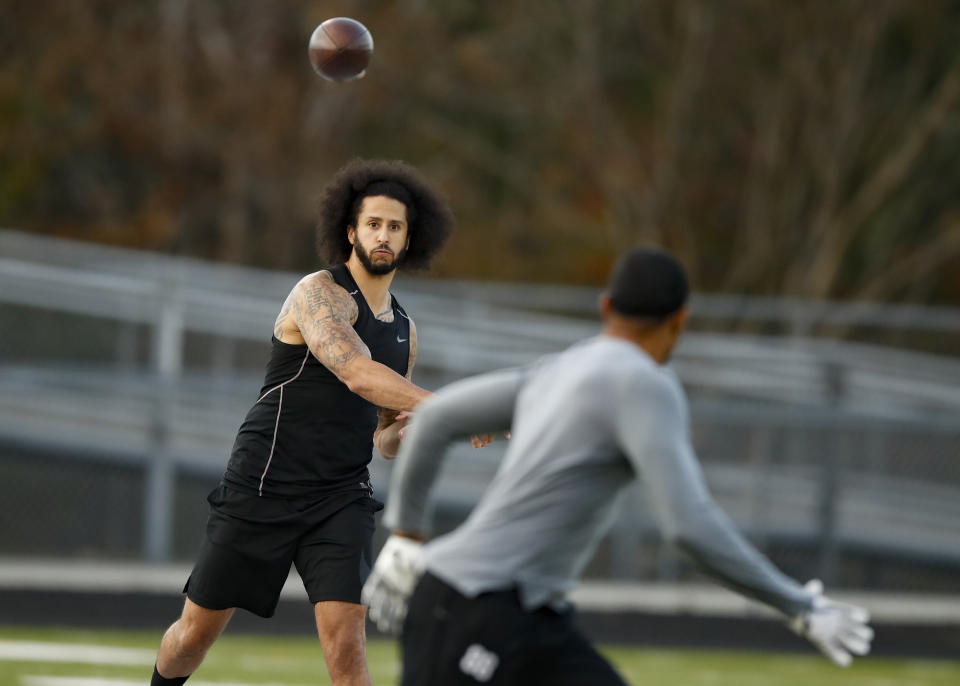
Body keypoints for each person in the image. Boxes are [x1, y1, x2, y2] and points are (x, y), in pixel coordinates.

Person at [362, 247, 874, 685]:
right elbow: (689, 528)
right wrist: (799, 607)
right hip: (479, 607)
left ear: (606, 307)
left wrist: (406, 536)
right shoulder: (646, 383)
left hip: (520, 612)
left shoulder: (559, 367)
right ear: (680, 320)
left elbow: (434, 421)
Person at [151, 158, 462, 686]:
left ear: (410, 239)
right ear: (350, 230)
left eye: (394, 227)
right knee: (192, 638)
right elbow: (359, 375)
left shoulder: (406, 331)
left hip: (339, 497)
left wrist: (402, 433)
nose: (383, 236)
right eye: (373, 224)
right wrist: (449, 411)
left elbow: (381, 434)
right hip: (263, 484)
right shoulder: (318, 293)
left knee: (348, 648)